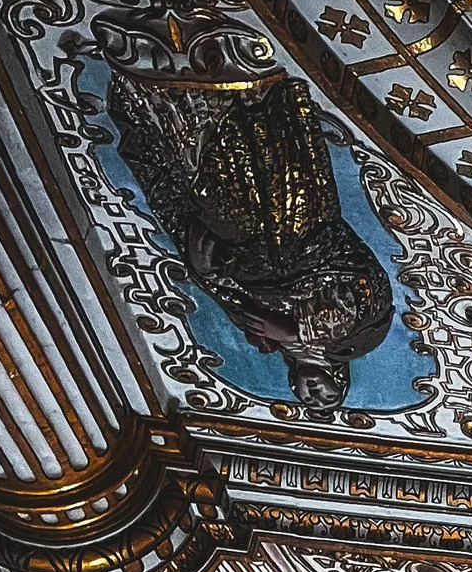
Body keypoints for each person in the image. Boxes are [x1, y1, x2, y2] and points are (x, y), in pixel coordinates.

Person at [108, 71, 392, 411]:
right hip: (291, 232)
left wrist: (207, 268)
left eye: (308, 398)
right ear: (339, 378)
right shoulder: (356, 340)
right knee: (245, 168)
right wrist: (299, 331)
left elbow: (230, 293)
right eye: (328, 396)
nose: (315, 393)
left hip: (241, 250)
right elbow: (364, 288)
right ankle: (219, 85)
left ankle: (160, 91)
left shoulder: (262, 338)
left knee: (196, 183)